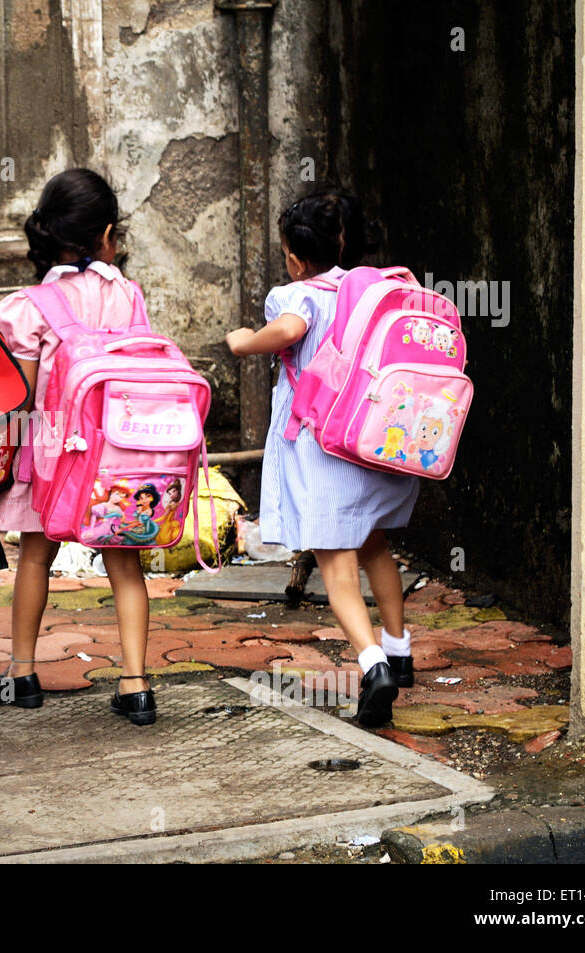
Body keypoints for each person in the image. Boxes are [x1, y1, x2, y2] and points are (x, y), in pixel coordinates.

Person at [225, 188, 418, 727]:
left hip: (325, 446)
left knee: (336, 568)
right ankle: (399, 649)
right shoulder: (380, 289)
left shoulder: (298, 295)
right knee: (375, 547)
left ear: (292, 256)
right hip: (374, 441)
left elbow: (289, 332)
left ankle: (372, 665)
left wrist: (244, 342)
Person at [0, 168, 158, 726]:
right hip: (119, 455)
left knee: (35, 557)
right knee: (126, 566)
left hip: (54, 456)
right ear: (108, 233)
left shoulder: (29, 305)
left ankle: (21, 674)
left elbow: (25, 394)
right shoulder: (129, 295)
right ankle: (135, 685)